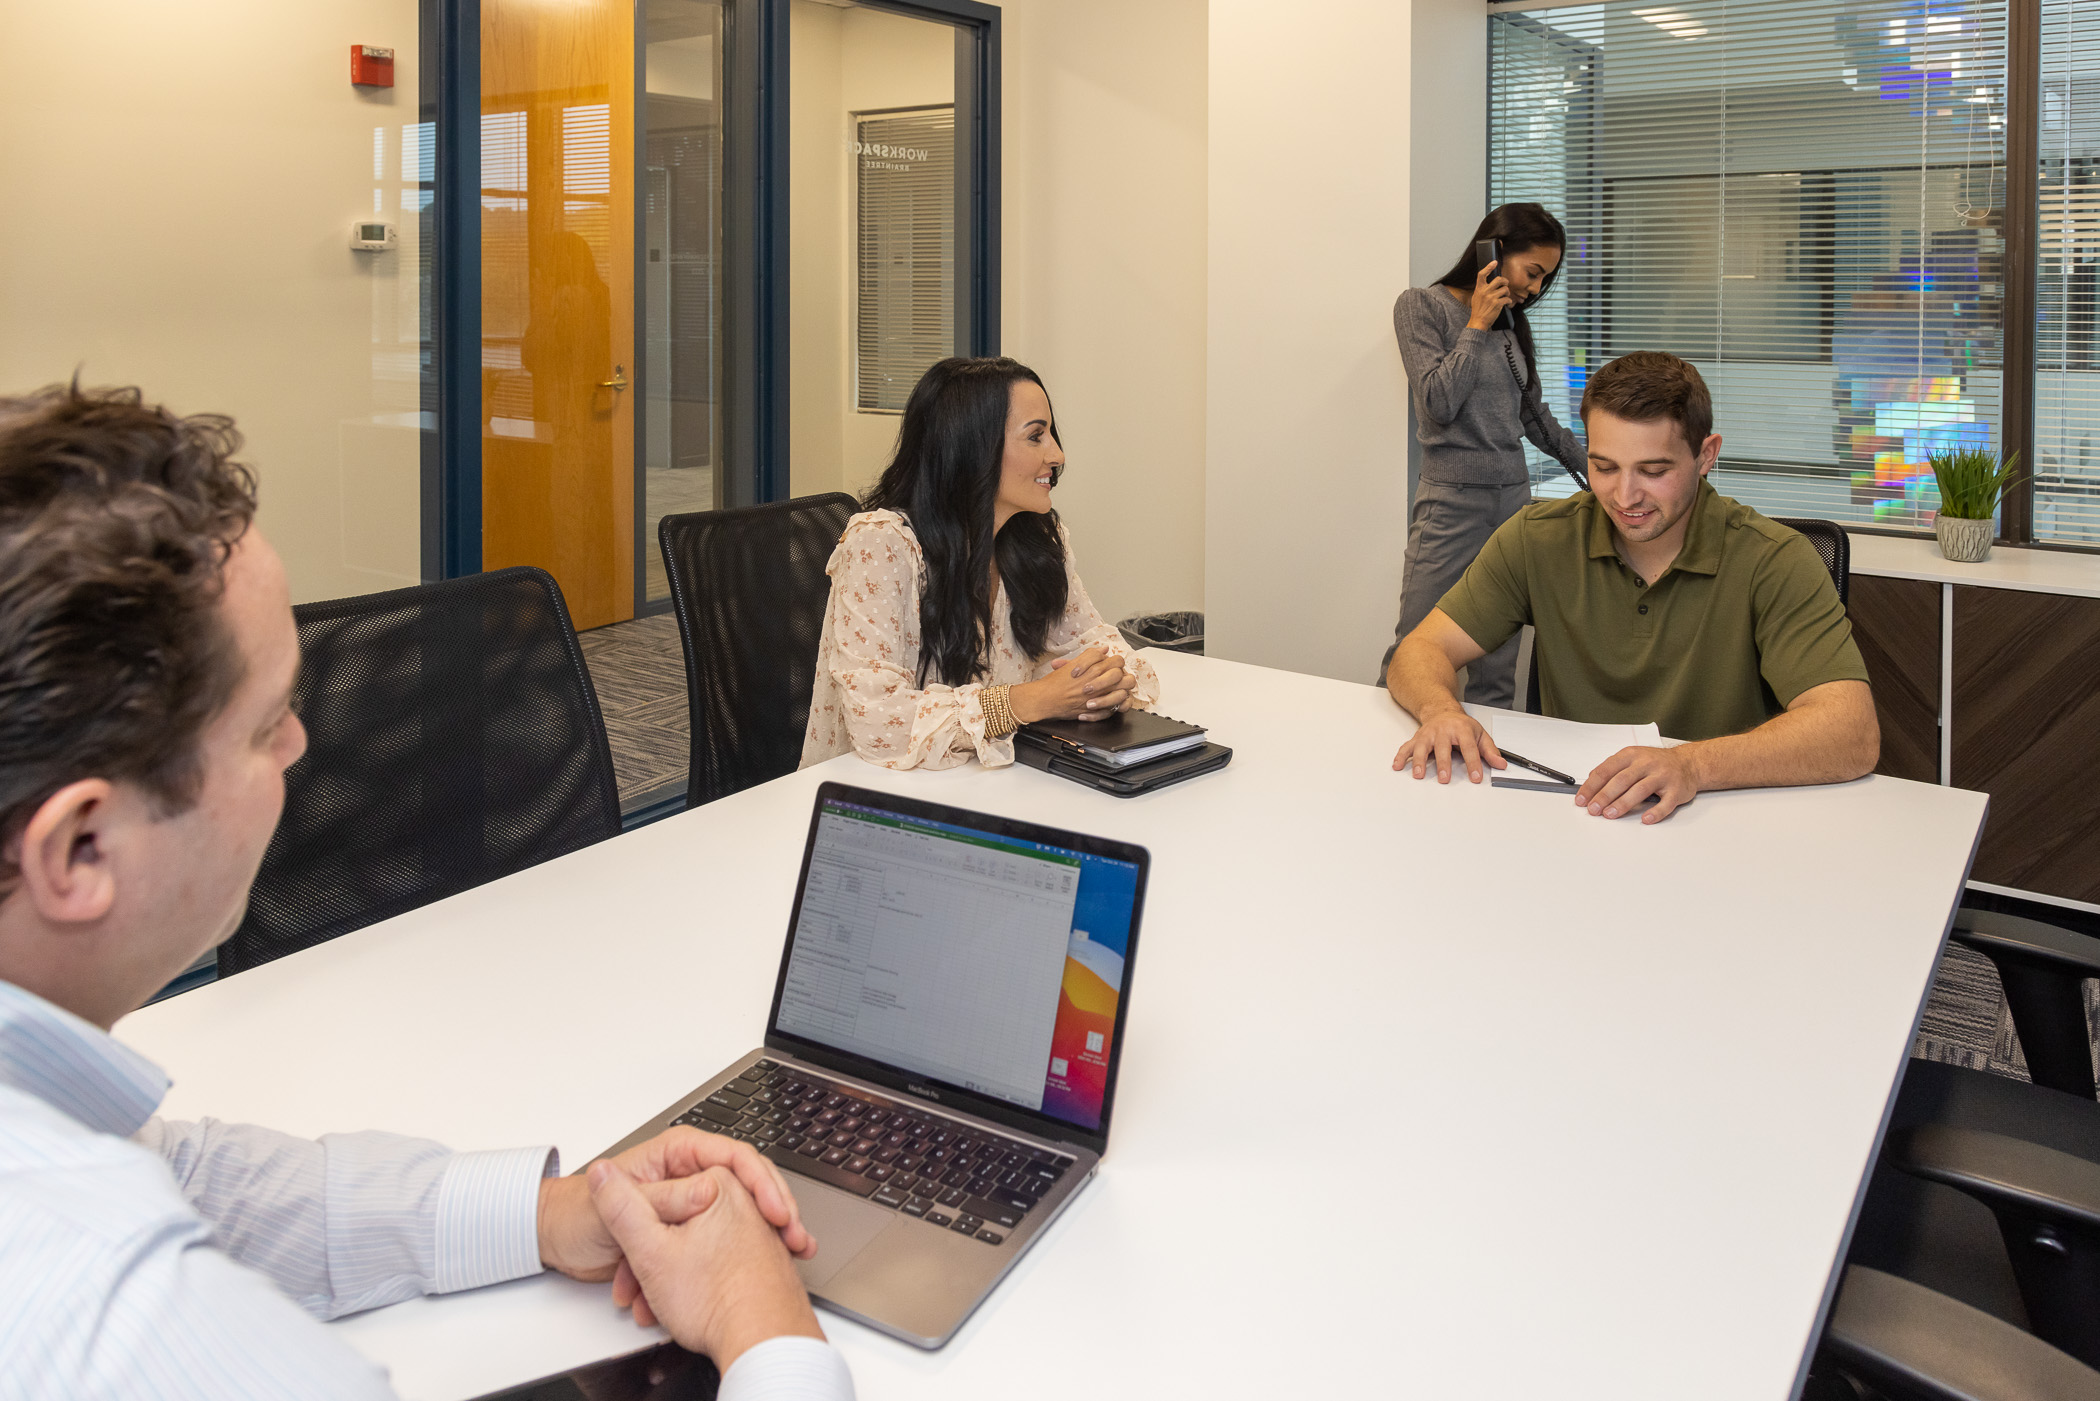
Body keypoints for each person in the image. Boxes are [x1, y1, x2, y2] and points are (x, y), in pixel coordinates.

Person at [0, 385, 851, 1399]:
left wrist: (555, 1211)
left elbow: (189, 1177)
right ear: (81, 851)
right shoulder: (115, 1318)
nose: (304, 744)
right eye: (267, 722)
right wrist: (767, 1331)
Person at [1386, 351, 1878, 825]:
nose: (1624, 497)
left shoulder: (1775, 558)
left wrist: (1692, 765)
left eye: (1654, 471)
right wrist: (1441, 710)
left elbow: (1851, 732)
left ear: (1706, 455)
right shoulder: (1538, 537)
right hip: (1577, 810)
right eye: (1604, 467)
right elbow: (1422, 649)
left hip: (1721, 817)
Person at [802, 356, 1158, 771]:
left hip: (986, 786)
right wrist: (1036, 700)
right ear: (973, 447)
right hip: (872, 800)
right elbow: (879, 724)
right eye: (1036, 437)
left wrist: (1102, 687)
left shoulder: (1037, 539)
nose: (1057, 455)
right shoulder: (882, 544)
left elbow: (1104, 649)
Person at [1377, 203, 1589, 707]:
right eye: (1532, 272)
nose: (1535, 289)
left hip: (1513, 503)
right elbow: (1438, 402)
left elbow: (1534, 419)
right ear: (1493, 251)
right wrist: (1477, 324)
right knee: (1413, 649)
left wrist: (1598, 468)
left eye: (1545, 279)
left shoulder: (1514, 326)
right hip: (1452, 504)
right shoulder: (1420, 306)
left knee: (1497, 664)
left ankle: (1484, 770)